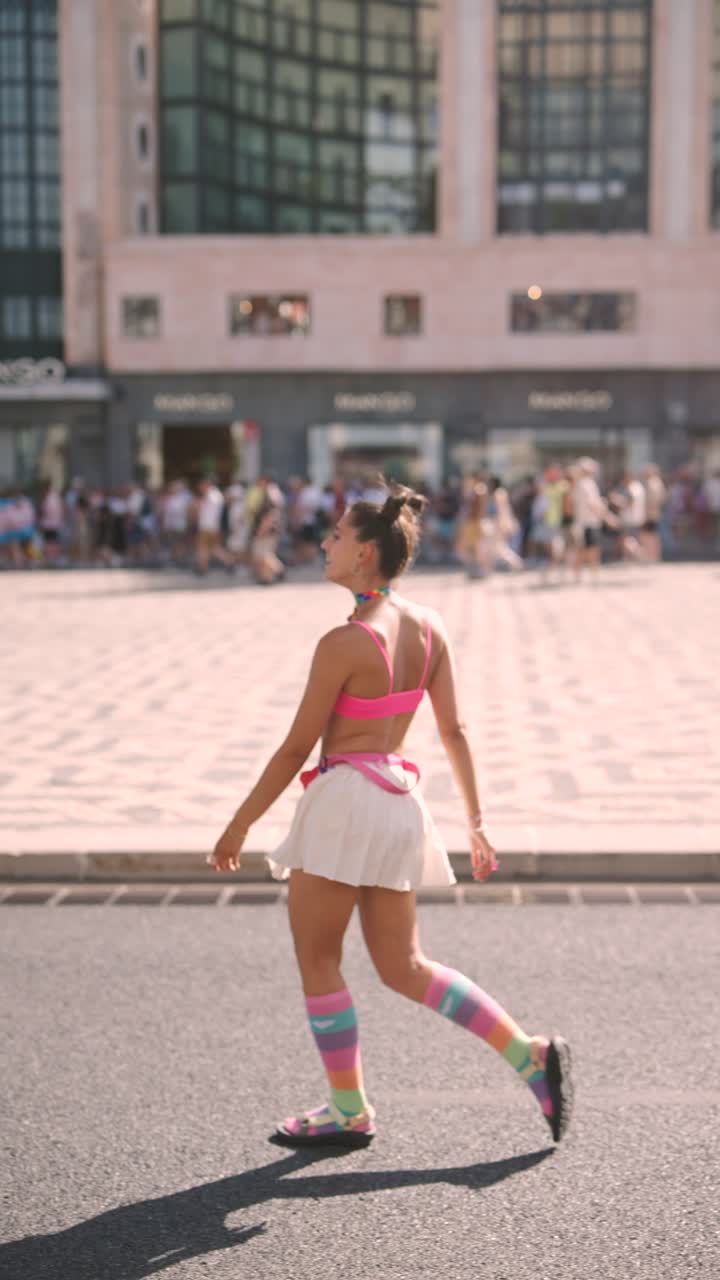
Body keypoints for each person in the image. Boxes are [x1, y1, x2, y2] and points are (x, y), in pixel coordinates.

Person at [209, 482, 573, 1150]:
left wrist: (239, 824)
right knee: (406, 966)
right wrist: (476, 822)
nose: (326, 543)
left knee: (319, 960)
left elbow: (295, 748)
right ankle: (529, 1054)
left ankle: (348, 1110)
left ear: (365, 552)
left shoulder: (344, 643)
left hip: (345, 804)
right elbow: (455, 731)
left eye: (337, 536)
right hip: (402, 803)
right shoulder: (430, 628)